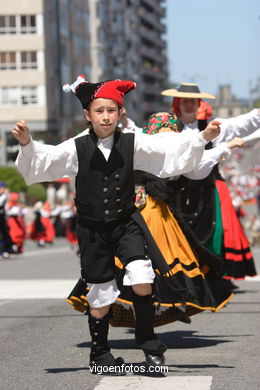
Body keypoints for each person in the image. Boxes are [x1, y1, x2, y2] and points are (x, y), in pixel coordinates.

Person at [12, 75, 221, 373]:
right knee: (99, 297)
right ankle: (100, 354)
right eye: (100, 111)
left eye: (112, 110)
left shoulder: (134, 143)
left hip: (126, 223)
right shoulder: (77, 147)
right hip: (92, 230)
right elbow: (45, 162)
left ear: (121, 113)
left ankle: (148, 342)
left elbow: (169, 152)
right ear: (88, 115)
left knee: (142, 279)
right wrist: (26, 143)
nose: (106, 116)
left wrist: (202, 138)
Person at [161, 83, 260, 282]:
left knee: (209, 232)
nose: (189, 105)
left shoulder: (213, 126)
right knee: (176, 234)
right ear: (177, 104)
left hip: (204, 190)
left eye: (192, 101)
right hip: (175, 191)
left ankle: (207, 278)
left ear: (198, 104)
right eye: (185, 101)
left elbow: (245, 122)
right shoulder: (167, 128)